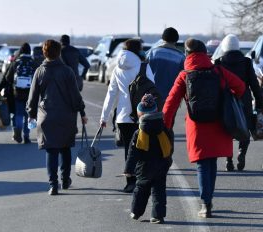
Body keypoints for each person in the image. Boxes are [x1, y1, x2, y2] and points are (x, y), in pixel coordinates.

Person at [162, 38, 245, 218]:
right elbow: (240, 86)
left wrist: (165, 126)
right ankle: (208, 201)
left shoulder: (185, 75)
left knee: (202, 164)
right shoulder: (219, 72)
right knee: (212, 162)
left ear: (187, 54)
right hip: (218, 123)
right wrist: (228, 96)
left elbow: (170, 103)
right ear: (204, 52)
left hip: (196, 125)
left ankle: (205, 204)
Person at [26, 39, 88, 196]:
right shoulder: (67, 71)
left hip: (46, 116)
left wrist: (31, 114)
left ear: (44, 53)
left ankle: (53, 185)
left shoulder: (40, 71)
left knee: (51, 150)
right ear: (59, 52)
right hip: (66, 116)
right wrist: (82, 112)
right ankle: (65, 179)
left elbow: (32, 97)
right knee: (65, 149)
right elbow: (75, 96)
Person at [100, 39, 155, 193]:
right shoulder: (143, 67)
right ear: (137, 50)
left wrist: (104, 117)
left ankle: (130, 182)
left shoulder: (117, 69)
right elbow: (152, 88)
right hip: (142, 115)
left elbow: (111, 94)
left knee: (129, 151)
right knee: (144, 148)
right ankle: (142, 180)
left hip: (123, 117)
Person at [214, 34, 263, 171]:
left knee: (227, 130)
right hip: (244, 100)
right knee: (245, 128)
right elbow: (254, 85)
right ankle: (241, 153)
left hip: (225, 102)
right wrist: (260, 103)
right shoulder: (247, 62)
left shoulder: (219, 62)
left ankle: (228, 159)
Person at [124, 94, 173, 224]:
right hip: (161, 165)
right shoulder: (164, 128)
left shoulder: (139, 133)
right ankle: (158, 216)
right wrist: (168, 161)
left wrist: (128, 169)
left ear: (140, 114)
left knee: (141, 189)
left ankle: (136, 211)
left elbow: (132, 153)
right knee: (159, 191)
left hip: (144, 167)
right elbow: (170, 145)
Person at [2, 43, 36, 144]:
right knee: (29, 116)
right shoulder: (33, 63)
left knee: (19, 114)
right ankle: (26, 136)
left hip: (17, 93)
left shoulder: (16, 62)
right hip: (30, 94)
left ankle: (18, 132)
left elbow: (8, 78)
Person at [146, 27, 185, 102]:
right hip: (172, 97)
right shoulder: (181, 57)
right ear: (176, 39)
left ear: (163, 38)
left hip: (151, 95)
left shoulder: (151, 53)